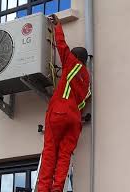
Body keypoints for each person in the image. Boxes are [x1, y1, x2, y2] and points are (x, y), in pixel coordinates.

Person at [38, 14, 91, 192]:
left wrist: (57, 25)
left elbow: (61, 45)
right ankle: (57, 188)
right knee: (64, 155)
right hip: (75, 120)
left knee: (50, 151)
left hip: (59, 113)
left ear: (76, 57)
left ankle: (44, 188)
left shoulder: (71, 63)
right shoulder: (87, 78)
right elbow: (83, 102)